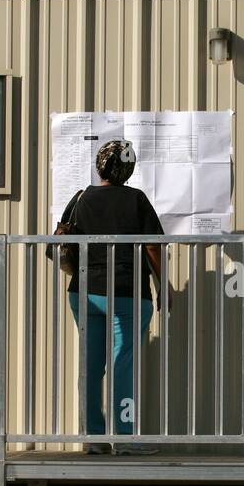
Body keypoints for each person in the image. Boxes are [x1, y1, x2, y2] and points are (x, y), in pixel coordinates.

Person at [57, 139, 165, 455]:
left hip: (85, 291)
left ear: (99, 166)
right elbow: (153, 246)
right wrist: (164, 286)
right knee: (123, 363)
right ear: (128, 168)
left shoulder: (82, 198)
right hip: (128, 292)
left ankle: (93, 438)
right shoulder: (136, 199)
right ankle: (126, 436)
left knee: (91, 365)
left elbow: (63, 240)